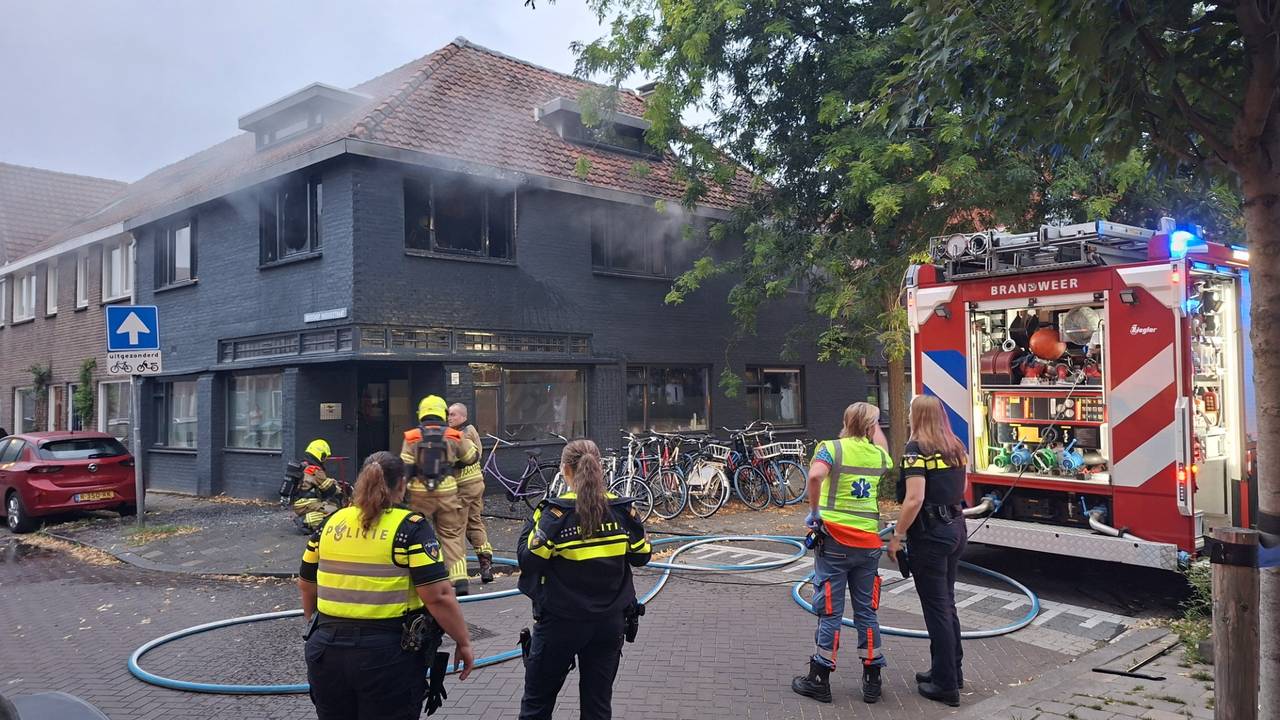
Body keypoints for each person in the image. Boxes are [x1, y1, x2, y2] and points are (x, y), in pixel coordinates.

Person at [299, 451, 474, 720]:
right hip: (386, 657)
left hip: (326, 652)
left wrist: (318, 625)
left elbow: (306, 584)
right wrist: (463, 641)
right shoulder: (410, 528)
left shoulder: (330, 523)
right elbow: (438, 596)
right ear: (401, 484)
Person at [517, 439, 652, 720]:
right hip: (609, 624)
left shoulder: (554, 514)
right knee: (597, 707)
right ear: (599, 468)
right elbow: (641, 555)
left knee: (537, 706)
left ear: (565, 470)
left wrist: (532, 524)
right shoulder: (623, 510)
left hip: (560, 624)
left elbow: (529, 561)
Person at [792, 402, 893, 705]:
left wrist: (814, 513)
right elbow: (884, 448)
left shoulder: (831, 449)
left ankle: (820, 678)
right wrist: (874, 428)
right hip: (868, 545)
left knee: (831, 612)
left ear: (846, 421)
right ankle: (872, 677)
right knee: (866, 611)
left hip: (835, 543)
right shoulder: (878, 455)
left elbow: (814, 476)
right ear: (872, 427)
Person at [888, 394, 968, 707]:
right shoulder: (955, 446)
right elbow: (962, 488)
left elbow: (914, 498)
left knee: (936, 609)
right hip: (956, 528)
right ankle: (950, 671)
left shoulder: (916, 449)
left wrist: (897, 536)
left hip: (931, 535)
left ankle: (945, 686)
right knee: (947, 603)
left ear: (916, 416)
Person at [400, 395, 479, 596]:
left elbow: (404, 467)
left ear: (421, 413)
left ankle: (417, 577)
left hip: (419, 493)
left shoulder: (411, 437)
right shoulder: (454, 435)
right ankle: (460, 580)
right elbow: (471, 457)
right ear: (443, 413)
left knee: (415, 533)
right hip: (447, 492)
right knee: (451, 534)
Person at [448, 403, 494, 583]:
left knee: (456, 527)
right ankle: (486, 565)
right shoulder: (469, 431)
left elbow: (457, 459)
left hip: (463, 487)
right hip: (475, 485)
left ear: (463, 417)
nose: (449, 418)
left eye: (453, 415)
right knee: (474, 523)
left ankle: (458, 574)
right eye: (448, 414)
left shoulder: (464, 434)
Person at [289, 439, 346, 533]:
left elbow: (315, 481)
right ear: (320, 454)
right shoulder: (314, 470)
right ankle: (305, 521)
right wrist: (339, 490)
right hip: (306, 503)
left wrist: (330, 481)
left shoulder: (304, 466)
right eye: (325, 457)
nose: (325, 460)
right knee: (335, 511)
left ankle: (307, 518)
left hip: (300, 503)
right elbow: (329, 490)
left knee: (329, 505)